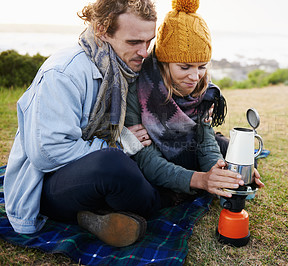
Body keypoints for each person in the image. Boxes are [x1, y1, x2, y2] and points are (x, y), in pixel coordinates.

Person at [4, 0, 160, 247]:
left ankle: (97, 217)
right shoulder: (63, 73)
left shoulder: (125, 66)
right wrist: (119, 145)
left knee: (162, 143)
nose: (144, 51)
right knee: (114, 164)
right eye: (134, 42)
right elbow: (47, 153)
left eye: (149, 41)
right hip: (47, 186)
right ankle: (158, 199)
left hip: (87, 178)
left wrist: (202, 97)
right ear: (102, 30)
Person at [124, 0, 264, 205]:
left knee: (238, 156)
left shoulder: (204, 91)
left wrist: (219, 174)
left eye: (201, 66)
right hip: (154, 162)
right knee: (142, 189)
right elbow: (147, 160)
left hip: (190, 151)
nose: (195, 76)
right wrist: (201, 179)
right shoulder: (138, 89)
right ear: (164, 62)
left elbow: (205, 143)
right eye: (185, 67)